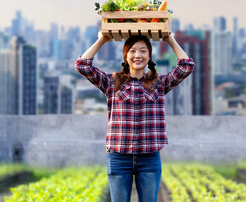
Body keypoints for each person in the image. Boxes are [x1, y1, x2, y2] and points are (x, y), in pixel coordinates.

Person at [75, 31, 195, 202]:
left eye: (143, 51)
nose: (137, 55)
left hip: (149, 158)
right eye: (132, 51)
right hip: (118, 156)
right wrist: (102, 39)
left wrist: (170, 39)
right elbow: (82, 66)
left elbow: (186, 66)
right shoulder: (112, 82)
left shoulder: (159, 84)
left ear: (149, 56)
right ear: (125, 56)